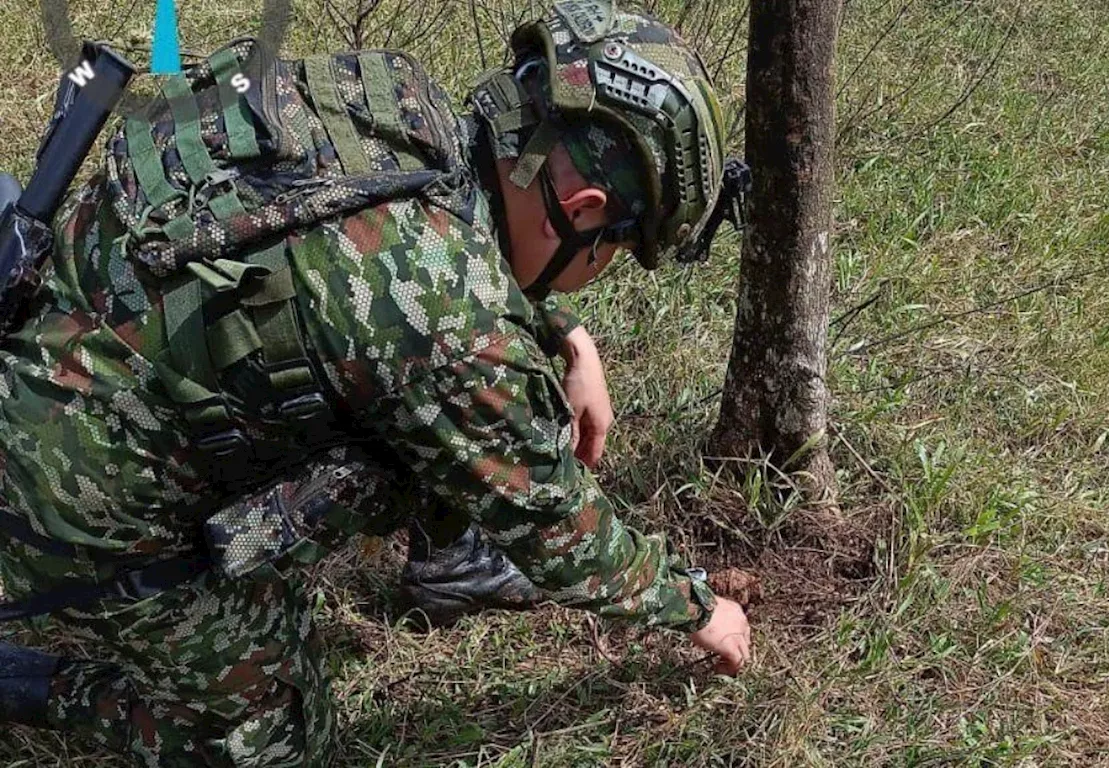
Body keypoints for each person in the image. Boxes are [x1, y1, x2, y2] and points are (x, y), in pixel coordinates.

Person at [0, 1, 753, 765]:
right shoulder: (458, 331)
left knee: (431, 419)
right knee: (277, 745)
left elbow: (380, 257)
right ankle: (40, 679)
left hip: (54, 329)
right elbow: (559, 527)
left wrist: (564, 333)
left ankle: (450, 561)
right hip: (66, 492)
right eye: (616, 248)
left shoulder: (396, 101)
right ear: (584, 210)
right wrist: (698, 609)